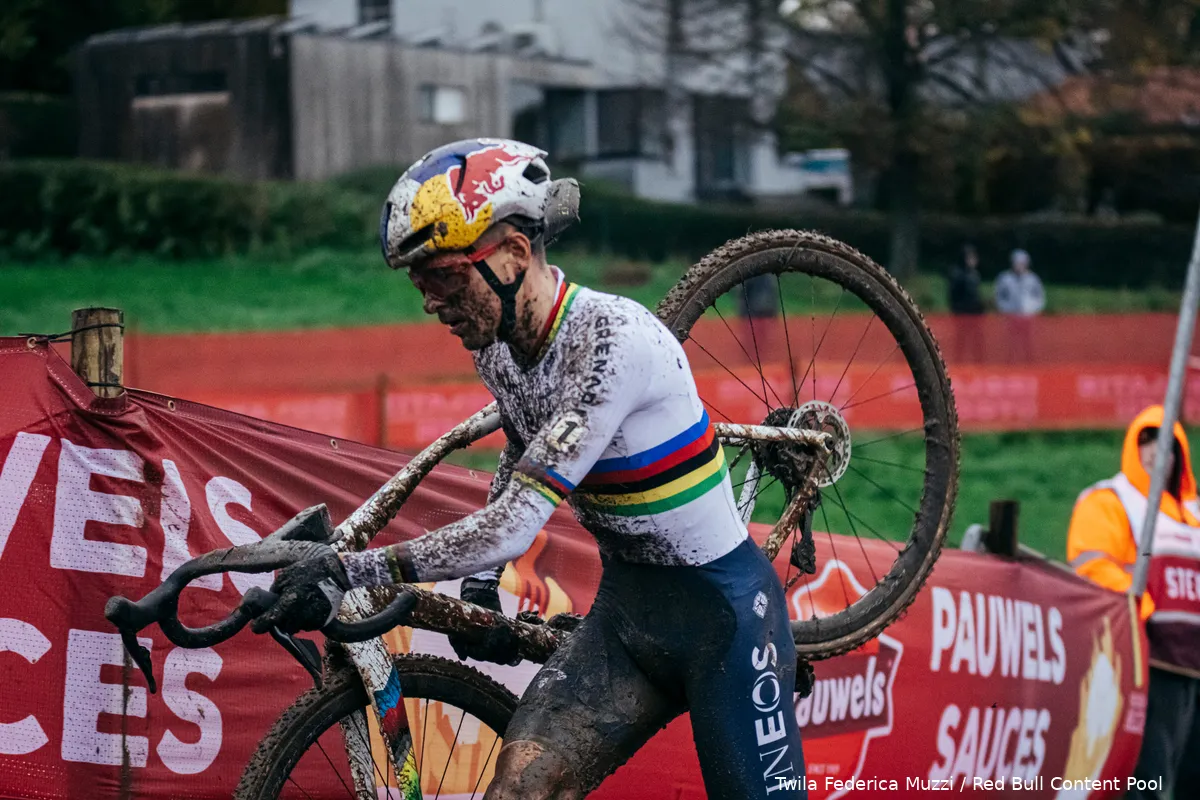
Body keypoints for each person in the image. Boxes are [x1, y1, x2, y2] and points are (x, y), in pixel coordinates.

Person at [249, 138, 807, 799]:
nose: (430, 302)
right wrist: (482, 584)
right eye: (419, 283)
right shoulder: (500, 350)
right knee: (516, 792)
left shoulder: (611, 344)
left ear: (512, 258)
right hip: (626, 624)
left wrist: (350, 569)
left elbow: (514, 524)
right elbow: (521, 449)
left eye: (444, 279)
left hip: (725, 619)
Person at [1066, 405, 1200, 800]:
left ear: (1180, 454)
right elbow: (1092, 563)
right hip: (1147, 662)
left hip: (1194, 666)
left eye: (1167, 443)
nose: (1157, 451)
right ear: (1132, 447)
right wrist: (1145, 611)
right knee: (1148, 779)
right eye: (1147, 440)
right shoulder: (1111, 500)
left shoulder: (1195, 513)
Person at [993, 248, 1044, 362]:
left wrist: (1032, 310)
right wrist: (1006, 310)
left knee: (1028, 344)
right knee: (1011, 344)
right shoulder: (1005, 278)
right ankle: (1010, 364)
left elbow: (1040, 298)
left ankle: (1029, 364)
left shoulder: (1033, 279)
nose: (1019, 266)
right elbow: (998, 297)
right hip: (1011, 318)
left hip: (1027, 318)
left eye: (1022, 263)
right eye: (1017, 263)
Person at [947, 244, 986, 364]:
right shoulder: (957, 274)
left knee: (977, 342)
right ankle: (960, 364)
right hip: (962, 314)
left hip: (975, 315)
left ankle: (978, 363)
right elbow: (953, 295)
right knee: (961, 342)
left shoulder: (975, 274)